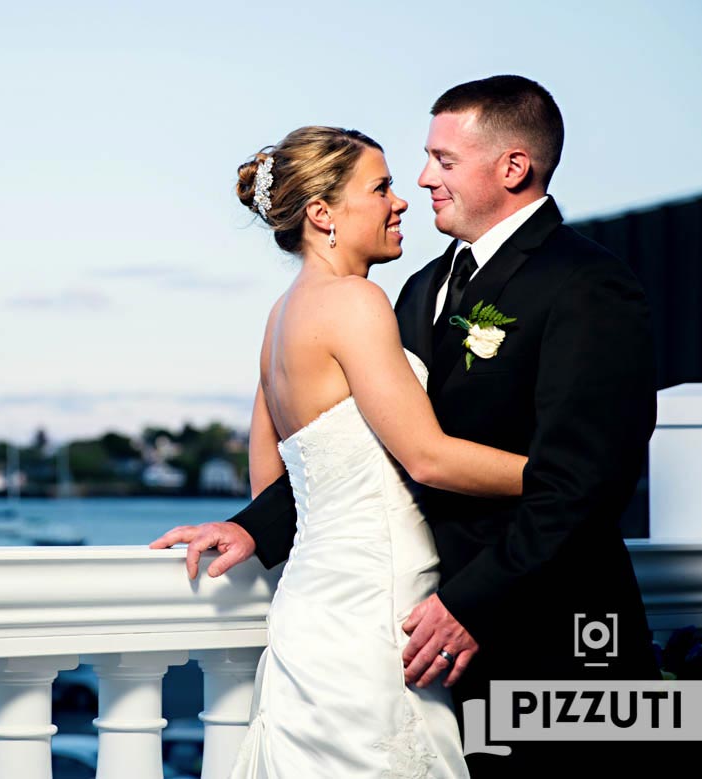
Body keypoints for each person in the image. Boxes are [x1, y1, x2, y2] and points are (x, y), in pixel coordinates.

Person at [152, 76, 660, 776]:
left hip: (550, 632)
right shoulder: (415, 287)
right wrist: (255, 525)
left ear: (511, 167)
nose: (421, 182)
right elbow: (364, 444)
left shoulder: (586, 283)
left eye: (442, 161)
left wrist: (470, 601)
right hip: (424, 637)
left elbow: (590, 477)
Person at [160, 124, 534, 777]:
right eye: (381, 187)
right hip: (371, 614)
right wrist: (562, 476)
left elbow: (267, 480)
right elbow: (427, 458)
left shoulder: (279, 318)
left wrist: (248, 527)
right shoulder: (355, 303)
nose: (402, 201)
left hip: (309, 611)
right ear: (321, 214)